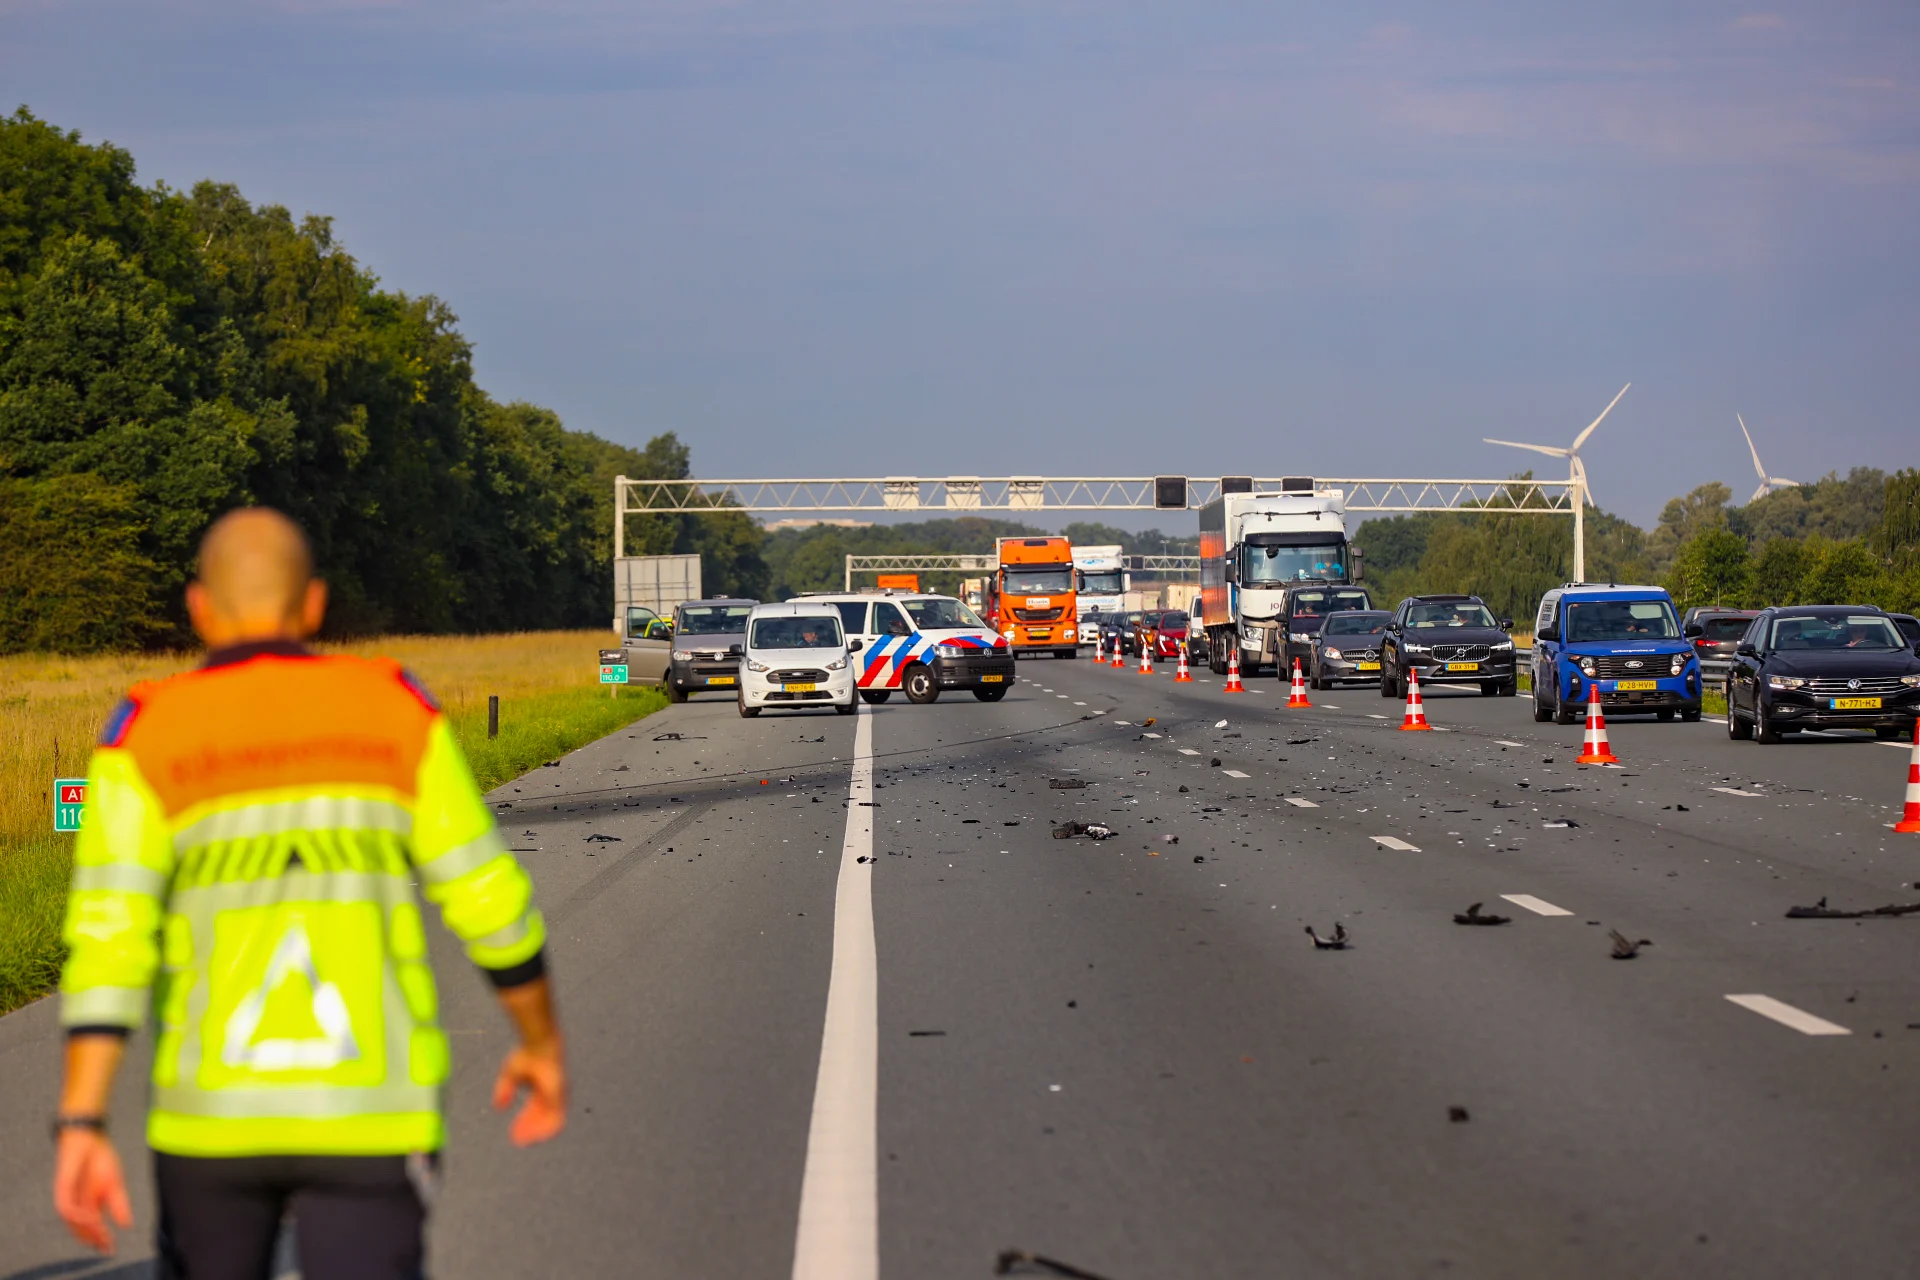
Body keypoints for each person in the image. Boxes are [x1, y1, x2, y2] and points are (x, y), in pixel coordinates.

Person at [51, 507, 566, 1279]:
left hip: (209, 1127)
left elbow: (109, 942)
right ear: (315, 604)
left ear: (198, 608)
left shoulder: (144, 735)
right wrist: (539, 1044)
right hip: (370, 1115)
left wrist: (82, 1118)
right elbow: (489, 900)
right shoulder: (395, 712)